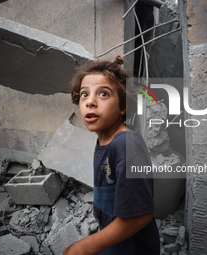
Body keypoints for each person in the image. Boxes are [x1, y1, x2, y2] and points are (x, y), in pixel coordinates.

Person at [63, 56, 160, 255]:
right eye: (84, 95)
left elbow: (139, 215)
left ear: (123, 106)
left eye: (104, 94)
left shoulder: (125, 145)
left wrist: (87, 245)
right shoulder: (105, 139)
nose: (90, 102)